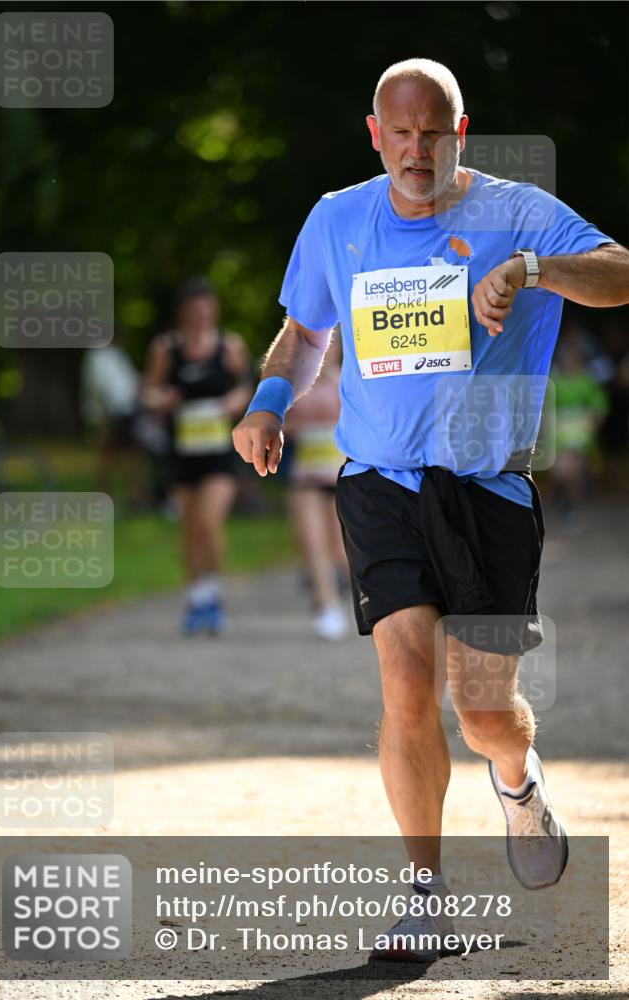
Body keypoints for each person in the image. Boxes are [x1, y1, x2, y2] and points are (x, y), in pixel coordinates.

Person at [233, 58, 629, 961]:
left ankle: (517, 780)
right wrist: (266, 402)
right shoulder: (338, 218)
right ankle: (424, 892)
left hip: (484, 489)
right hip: (380, 483)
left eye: (433, 134)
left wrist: (532, 271)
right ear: (375, 134)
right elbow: (303, 334)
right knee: (405, 683)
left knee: (483, 711)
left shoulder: (515, 212)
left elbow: (619, 272)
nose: (417, 152)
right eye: (399, 135)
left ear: (461, 133)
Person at [143, 277, 252, 634]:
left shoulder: (229, 345)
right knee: (190, 528)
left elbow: (246, 387)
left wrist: (233, 403)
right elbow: (148, 392)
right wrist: (162, 399)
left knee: (209, 521)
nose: (202, 318)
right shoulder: (165, 348)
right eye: (195, 312)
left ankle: (213, 593)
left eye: (208, 311)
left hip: (219, 452)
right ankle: (197, 599)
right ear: (183, 314)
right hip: (182, 451)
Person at [284, 331, 349, 640]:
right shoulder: (296, 385)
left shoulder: (349, 383)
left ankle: (355, 594)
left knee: (340, 548)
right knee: (312, 542)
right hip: (306, 476)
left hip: (340, 478)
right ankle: (327, 606)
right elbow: (277, 423)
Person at [550, 331, 610, 528]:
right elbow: (546, 408)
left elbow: (599, 406)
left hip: (581, 433)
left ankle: (574, 507)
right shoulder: (555, 381)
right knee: (562, 471)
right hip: (560, 433)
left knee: (574, 469)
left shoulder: (587, 381)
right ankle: (563, 500)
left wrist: (592, 424)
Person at [80, 338, 146, 506]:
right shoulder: (97, 356)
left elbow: (130, 381)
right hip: (111, 413)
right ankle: (106, 496)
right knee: (111, 456)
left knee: (127, 455)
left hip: (126, 409)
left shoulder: (116, 354)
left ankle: (132, 496)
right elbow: (98, 388)